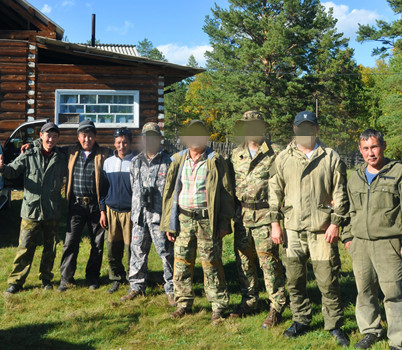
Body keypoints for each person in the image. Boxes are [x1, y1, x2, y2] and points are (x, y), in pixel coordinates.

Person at [269, 111, 350, 346]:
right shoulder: (283, 158)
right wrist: (275, 223)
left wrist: (336, 223)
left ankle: (334, 324)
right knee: (294, 279)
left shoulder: (331, 157)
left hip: (321, 229)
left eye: (309, 127)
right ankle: (301, 319)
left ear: (316, 130)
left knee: (327, 280)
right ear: (295, 129)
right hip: (293, 229)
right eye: (300, 127)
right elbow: (274, 192)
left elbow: (340, 193)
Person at [343, 129, 402, 350]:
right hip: (360, 244)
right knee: (364, 291)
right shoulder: (356, 176)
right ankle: (370, 331)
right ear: (360, 150)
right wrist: (347, 237)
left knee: (394, 293)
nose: (371, 153)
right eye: (366, 148)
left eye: (375, 147)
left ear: (383, 146)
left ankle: (398, 342)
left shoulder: (398, 172)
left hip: (388, 244)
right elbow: (349, 210)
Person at [161, 119, 235, 324]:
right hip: (183, 219)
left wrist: (223, 223)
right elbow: (169, 194)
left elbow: (227, 193)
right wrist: (169, 223)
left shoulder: (215, 160)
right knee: (182, 264)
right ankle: (183, 303)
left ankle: (218, 306)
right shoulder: (177, 160)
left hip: (207, 221)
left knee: (211, 264)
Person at [228, 110, 287, 329]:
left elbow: (283, 186)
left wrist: (277, 222)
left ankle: (277, 307)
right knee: (244, 262)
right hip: (242, 216)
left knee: (269, 263)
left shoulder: (276, 153)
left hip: (266, 215)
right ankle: (250, 301)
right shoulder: (236, 155)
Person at [0, 122, 67, 295]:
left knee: (50, 248)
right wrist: (1, 168)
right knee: (25, 247)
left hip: (52, 210)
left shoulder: (61, 157)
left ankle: (46, 279)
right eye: (47, 135)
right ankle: (16, 281)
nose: (51, 139)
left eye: (54, 136)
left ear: (58, 138)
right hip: (31, 209)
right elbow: (12, 171)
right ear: (41, 135)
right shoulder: (29, 153)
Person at [121, 122, 175, 305]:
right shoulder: (135, 162)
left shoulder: (169, 162)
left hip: (159, 218)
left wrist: (171, 222)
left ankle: (172, 289)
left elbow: (174, 192)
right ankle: (136, 287)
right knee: (137, 252)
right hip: (139, 218)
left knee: (166, 254)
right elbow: (133, 188)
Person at [58, 119, 111, 291]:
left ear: (95, 137)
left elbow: (123, 152)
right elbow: (48, 145)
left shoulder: (104, 153)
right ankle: (66, 278)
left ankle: (93, 277)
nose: (86, 139)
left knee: (97, 244)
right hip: (76, 205)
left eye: (90, 136)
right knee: (70, 242)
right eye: (83, 136)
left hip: (96, 206)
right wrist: (32, 144)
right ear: (78, 137)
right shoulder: (70, 152)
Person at [101, 127, 135, 294]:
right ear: (114, 143)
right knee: (112, 248)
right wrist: (102, 210)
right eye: (119, 142)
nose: (122, 146)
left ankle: (132, 279)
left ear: (130, 143)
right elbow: (103, 188)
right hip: (112, 211)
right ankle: (116, 278)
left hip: (130, 212)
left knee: (131, 249)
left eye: (125, 142)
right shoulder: (107, 163)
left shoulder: (137, 161)